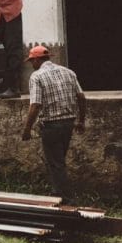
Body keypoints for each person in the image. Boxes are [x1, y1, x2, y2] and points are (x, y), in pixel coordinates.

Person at [21, 45, 86, 203]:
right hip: (68, 123)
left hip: (51, 125)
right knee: (59, 161)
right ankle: (57, 193)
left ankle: (67, 200)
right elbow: (81, 97)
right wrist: (81, 121)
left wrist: (27, 129)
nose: (32, 65)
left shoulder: (37, 76)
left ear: (36, 59)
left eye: (32, 61)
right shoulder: (68, 72)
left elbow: (35, 105)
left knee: (56, 164)